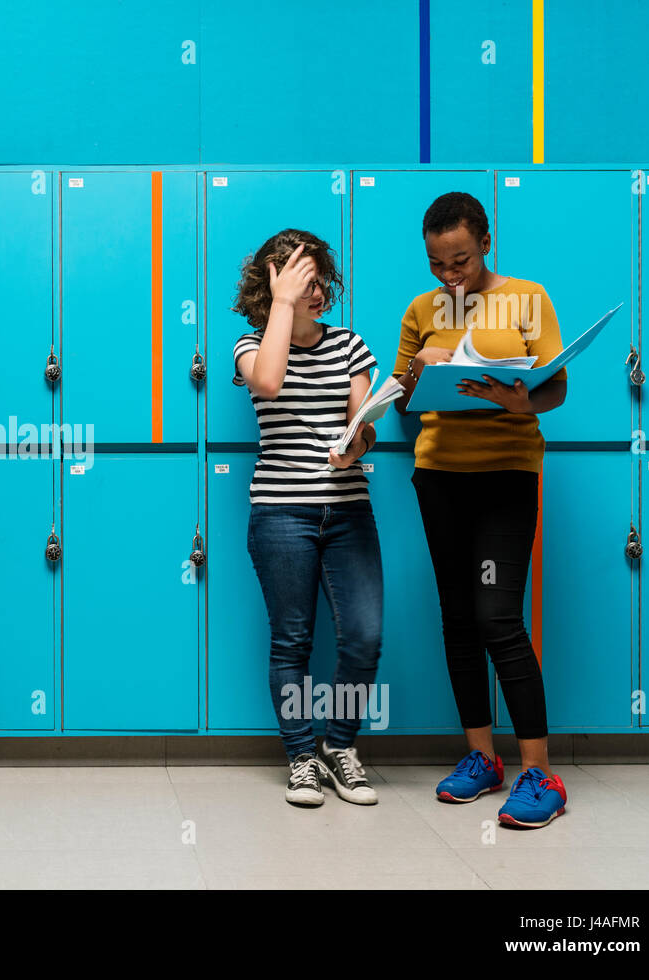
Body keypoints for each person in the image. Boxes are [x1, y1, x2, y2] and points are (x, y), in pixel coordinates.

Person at [390, 191, 569, 829]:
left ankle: (541, 772)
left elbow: (554, 386)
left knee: (499, 619)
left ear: (484, 242)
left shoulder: (528, 297)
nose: (450, 275)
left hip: (504, 477)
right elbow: (405, 399)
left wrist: (517, 402)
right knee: (458, 619)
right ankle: (481, 760)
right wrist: (420, 367)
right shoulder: (422, 309)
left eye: (460, 260)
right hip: (439, 476)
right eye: (438, 264)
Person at [232, 229, 383, 808]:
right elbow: (268, 383)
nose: (318, 291)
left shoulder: (349, 346)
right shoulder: (250, 347)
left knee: (364, 636)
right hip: (281, 512)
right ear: (275, 283)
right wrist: (284, 304)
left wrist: (357, 445)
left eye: (321, 280)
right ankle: (300, 756)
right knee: (292, 640)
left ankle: (339, 748)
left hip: (348, 510)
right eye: (305, 281)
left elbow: (362, 423)